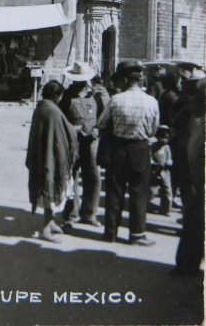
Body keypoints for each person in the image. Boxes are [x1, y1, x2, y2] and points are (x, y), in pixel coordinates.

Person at [98, 60, 159, 246]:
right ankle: (137, 234)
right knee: (138, 192)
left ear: (125, 79)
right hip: (140, 149)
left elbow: (101, 123)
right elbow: (153, 130)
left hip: (118, 148)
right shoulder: (151, 101)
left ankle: (110, 232)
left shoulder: (116, 100)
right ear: (139, 79)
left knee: (114, 190)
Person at [26, 79, 78, 243]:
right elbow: (64, 133)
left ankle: (50, 222)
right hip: (51, 158)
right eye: (61, 96)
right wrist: (76, 130)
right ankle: (45, 229)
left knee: (50, 191)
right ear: (57, 95)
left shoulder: (42, 107)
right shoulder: (52, 111)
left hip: (43, 156)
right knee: (51, 191)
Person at [60, 62, 101, 228]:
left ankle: (89, 213)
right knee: (71, 178)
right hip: (73, 142)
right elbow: (61, 121)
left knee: (93, 177)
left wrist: (98, 129)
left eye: (83, 81)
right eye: (78, 81)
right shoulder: (66, 97)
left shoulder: (94, 96)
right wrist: (75, 130)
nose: (81, 84)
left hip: (91, 143)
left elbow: (103, 118)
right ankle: (71, 214)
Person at [171, 77, 205, 277]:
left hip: (201, 182)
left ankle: (187, 264)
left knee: (194, 222)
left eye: (198, 100)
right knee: (193, 222)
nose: (193, 105)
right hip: (197, 181)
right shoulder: (196, 121)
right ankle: (186, 264)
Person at [149, 125, 173, 215]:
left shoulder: (167, 148)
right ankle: (148, 205)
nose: (163, 140)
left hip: (164, 172)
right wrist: (152, 162)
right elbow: (149, 157)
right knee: (151, 190)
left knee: (167, 191)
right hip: (154, 172)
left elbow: (170, 158)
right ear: (157, 137)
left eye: (166, 138)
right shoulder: (153, 147)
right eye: (161, 137)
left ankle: (166, 209)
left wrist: (169, 162)